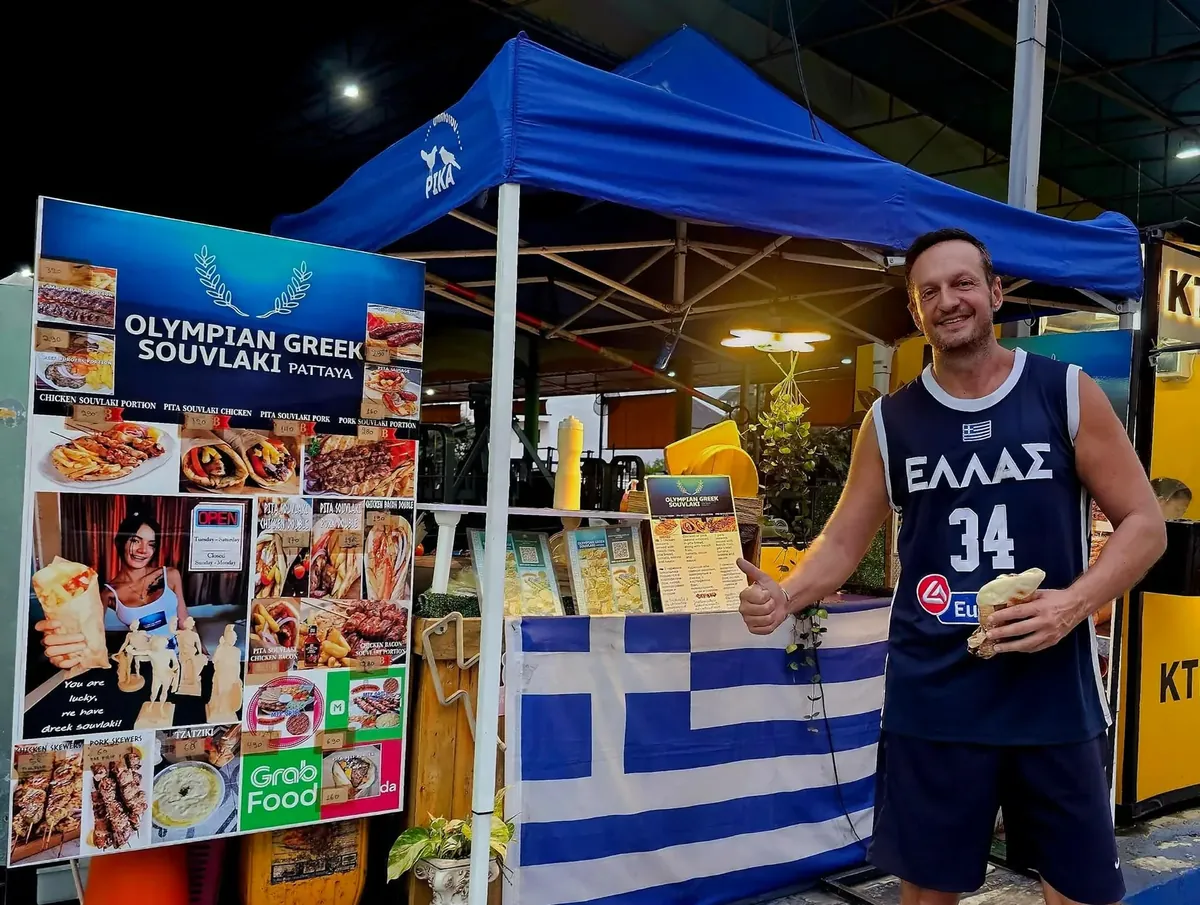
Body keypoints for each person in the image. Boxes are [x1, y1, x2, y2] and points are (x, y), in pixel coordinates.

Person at [737, 228, 1166, 905]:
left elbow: (1146, 523)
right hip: (934, 699)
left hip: (1050, 697)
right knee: (927, 897)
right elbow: (846, 541)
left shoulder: (1065, 392)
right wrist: (784, 594)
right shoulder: (891, 420)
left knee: (1083, 894)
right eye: (928, 291)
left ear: (996, 293)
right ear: (915, 313)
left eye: (963, 282)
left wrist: (1071, 603)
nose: (949, 300)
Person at [36, 511, 190, 670]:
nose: (143, 550)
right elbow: (90, 636)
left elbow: (185, 621)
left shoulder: (170, 575)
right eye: (135, 541)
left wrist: (202, 654)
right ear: (120, 542)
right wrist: (63, 642)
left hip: (181, 658)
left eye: (151, 544)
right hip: (143, 666)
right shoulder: (108, 593)